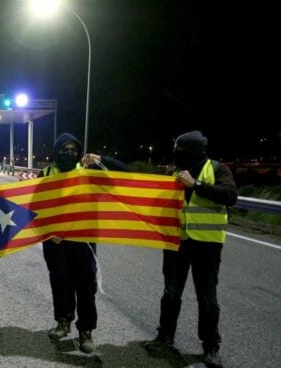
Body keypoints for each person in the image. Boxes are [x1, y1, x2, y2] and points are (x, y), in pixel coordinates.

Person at [144, 131, 237, 368]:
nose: (176, 154)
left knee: (207, 298)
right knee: (171, 293)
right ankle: (165, 336)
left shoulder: (217, 169)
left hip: (207, 245)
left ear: (192, 150)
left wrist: (195, 185)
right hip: (177, 243)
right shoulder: (173, 173)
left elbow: (230, 195)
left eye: (179, 150)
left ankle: (210, 347)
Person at [38, 132, 127, 354]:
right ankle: (63, 322)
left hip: (84, 242)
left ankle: (85, 331)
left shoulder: (90, 173)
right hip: (55, 242)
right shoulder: (46, 173)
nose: (69, 154)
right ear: (56, 151)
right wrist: (49, 232)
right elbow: (34, 207)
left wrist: (101, 159)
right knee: (60, 284)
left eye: (73, 150)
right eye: (64, 150)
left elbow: (126, 176)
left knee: (86, 288)